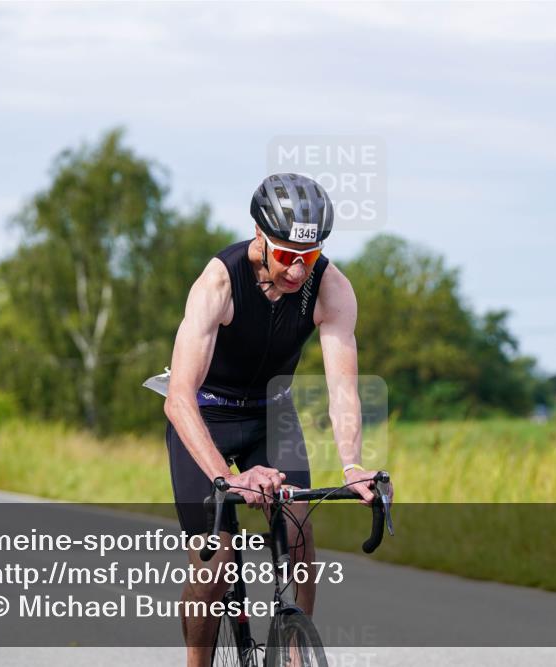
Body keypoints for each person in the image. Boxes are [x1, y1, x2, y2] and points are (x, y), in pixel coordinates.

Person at [163, 173, 391, 666]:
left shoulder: (331, 287)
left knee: (299, 532)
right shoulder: (219, 281)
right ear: (260, 237)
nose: (295, 269)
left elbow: (342, 388)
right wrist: (228, 478)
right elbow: (178, 397)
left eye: (307, 257)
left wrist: (353, 466)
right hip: (204, 415)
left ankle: (292, 653)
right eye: (286, 254)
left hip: (270, 415)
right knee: (214, 560)